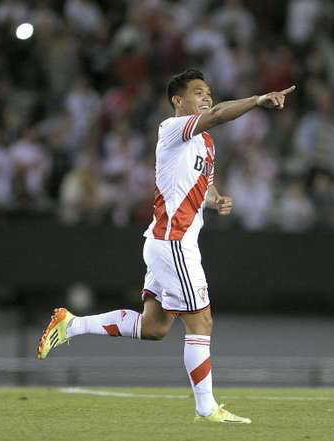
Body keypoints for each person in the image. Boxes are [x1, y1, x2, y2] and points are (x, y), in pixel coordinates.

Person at [37, 69, 295, 423]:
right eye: (198, 92)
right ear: (178, 100)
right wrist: (258, 99)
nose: (207, 97)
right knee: (201, 323)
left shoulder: (206, 143)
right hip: (174, 243)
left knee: (155, 327)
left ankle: (71, 324)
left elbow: (202, 183)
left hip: (166, 243)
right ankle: (206, 408)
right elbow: (219, 115)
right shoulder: (172, 129)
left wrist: (217, 198)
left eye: (209, 92)